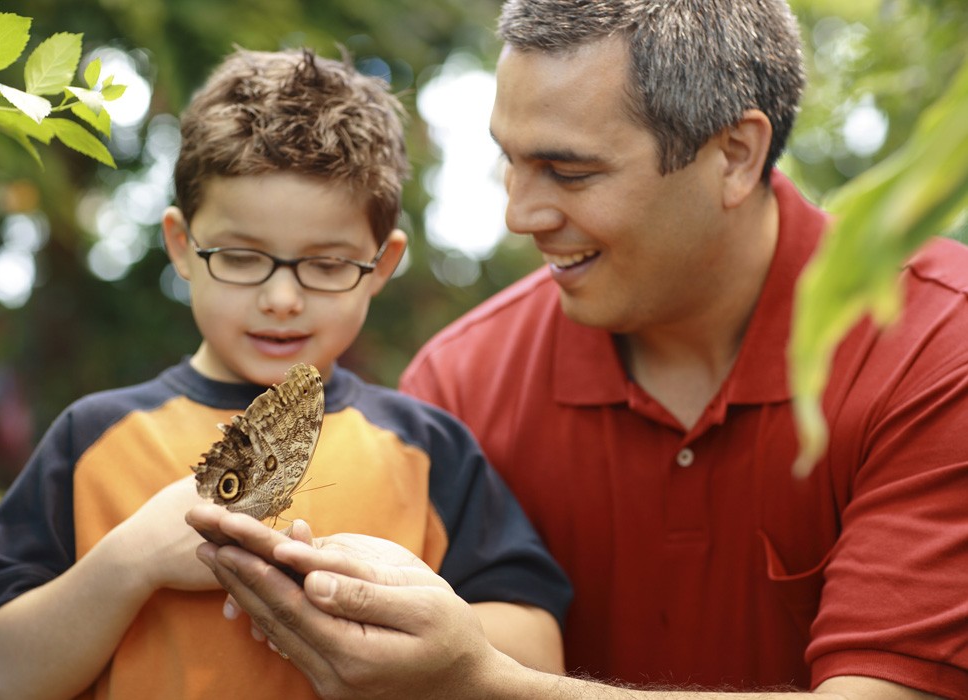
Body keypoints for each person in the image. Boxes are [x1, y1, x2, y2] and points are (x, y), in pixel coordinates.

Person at [190, 1, 968, 698]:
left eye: (567, 171)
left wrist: (485, 685)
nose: (520, 215)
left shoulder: (936, 344)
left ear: (735, 155)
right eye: (511, 159)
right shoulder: (461, 386)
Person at [0, 48, 571, 700]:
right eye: (240, 256)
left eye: (327, 264)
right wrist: (133, 558)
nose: (282, 298)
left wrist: (393, 606)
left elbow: (539, 655)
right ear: (182, 246)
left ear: (381, 265)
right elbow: (6, 677)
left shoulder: (427, 449)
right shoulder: (92, 438)